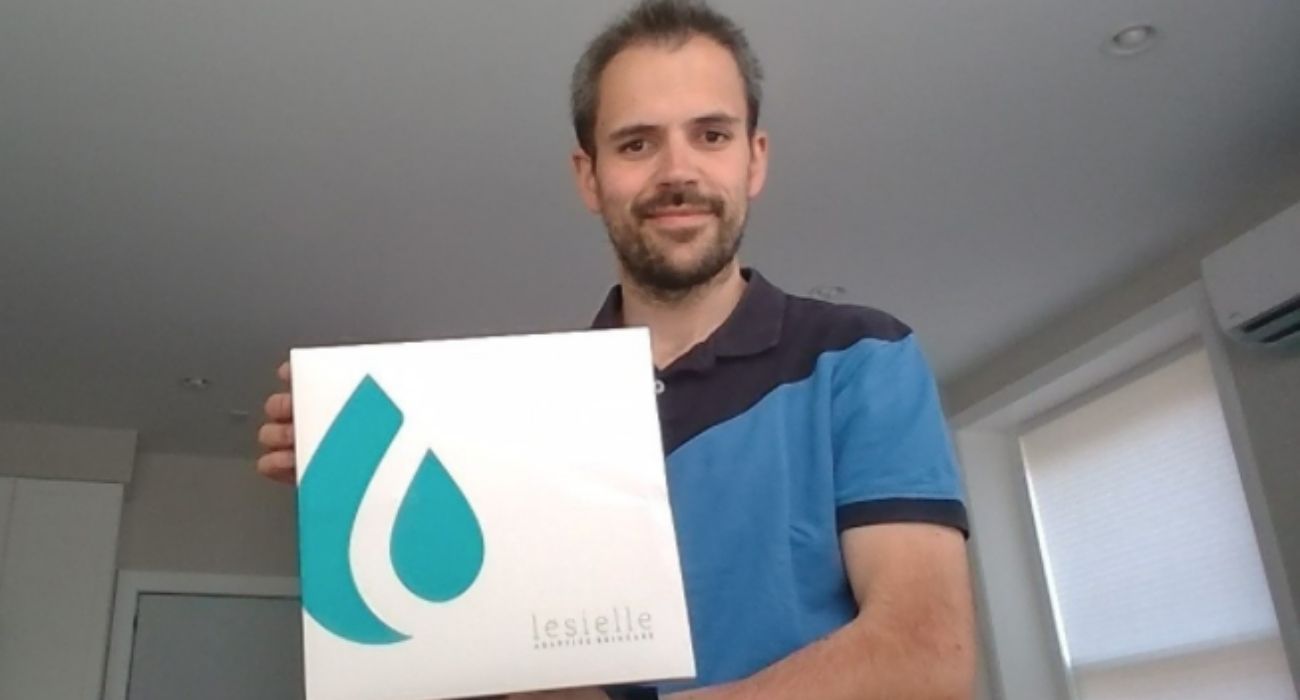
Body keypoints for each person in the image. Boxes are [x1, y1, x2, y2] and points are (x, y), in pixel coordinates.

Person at [258, 1, 976, 698]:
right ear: (589, 176)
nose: (677, 172)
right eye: (637, 144)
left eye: (711, 135)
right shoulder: (524, 411)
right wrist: (367, 490)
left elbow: (924, 652)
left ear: (754, 159)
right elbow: (537, 674)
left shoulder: (862, 357)